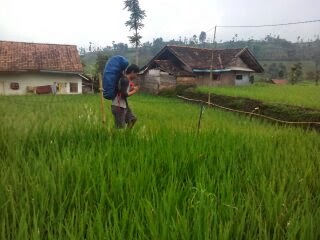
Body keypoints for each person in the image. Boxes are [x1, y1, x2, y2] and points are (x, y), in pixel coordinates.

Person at [111, 64, 140, 129]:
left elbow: (122, 90)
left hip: (124, 105)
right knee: (119, 128)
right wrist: (135, 91)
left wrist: (131, 89)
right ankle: (112, 138)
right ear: (132, 72)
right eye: (136, 74)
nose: (136, 76)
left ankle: (126, 136)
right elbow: (124, 95)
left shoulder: (125, 79)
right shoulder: (125, 80)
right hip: (119, 106)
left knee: (133, 119)